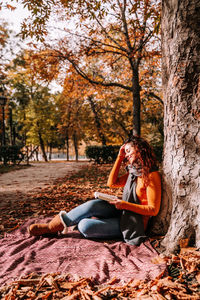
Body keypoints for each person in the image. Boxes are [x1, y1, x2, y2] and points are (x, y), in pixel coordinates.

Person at [29, 135, 161, 245]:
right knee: (93, 204)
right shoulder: (134, 172)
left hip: (135, 222)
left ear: (139, 149)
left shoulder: (151, 175)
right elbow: (112, 183)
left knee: (84, 226)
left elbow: (153, 210)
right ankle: (51, 227)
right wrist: (119, 158)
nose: (126, 156)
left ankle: (80, 222)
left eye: (128, 151)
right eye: (124, 152)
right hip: (124, 212)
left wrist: (123, 204)